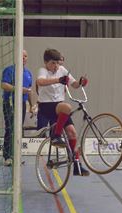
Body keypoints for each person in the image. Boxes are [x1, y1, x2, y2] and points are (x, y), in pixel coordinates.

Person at [36, 48, 89, 176]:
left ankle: (76, 164)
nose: (56, 66)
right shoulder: (42, 70)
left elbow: (74, 84)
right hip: (46, 106)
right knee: (66, 107)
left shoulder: (62, 70)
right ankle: (55, 136)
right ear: (46, 62)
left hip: (59, 107)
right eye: (52, 63)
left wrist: (81, 82)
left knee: (72, 132)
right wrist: (58, 80)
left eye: (57, 63)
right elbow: (40, 82)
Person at [1, 50, 33, 167]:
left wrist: (31, 105)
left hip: (22, 104)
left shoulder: (28, 73)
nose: (24, 58)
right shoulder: (9, 70)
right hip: (10, 102)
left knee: (18, 129)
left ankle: (16, 155)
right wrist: (18, 89)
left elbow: (29, 91)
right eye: (21, 56)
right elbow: (4, 85)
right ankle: (7, 157)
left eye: (25, 56)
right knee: (10, 128)